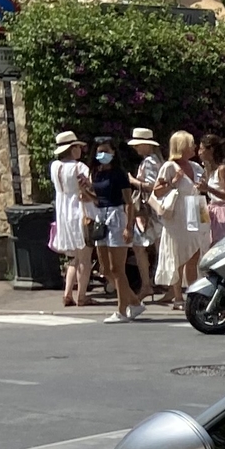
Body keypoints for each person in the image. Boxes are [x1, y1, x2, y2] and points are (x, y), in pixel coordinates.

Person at [87, 132, 140, 322]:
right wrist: (86, 191)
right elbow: (99, 199)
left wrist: (129, 226)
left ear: (113, 153)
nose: (102, 155)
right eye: (100, 152)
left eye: (106, 151)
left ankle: (122, 309)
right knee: (105, 268)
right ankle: (134, 302)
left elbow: (128, 202)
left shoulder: (119, 174)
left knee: (117, 268)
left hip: (116, 215)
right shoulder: (96, 173)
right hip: (101, 215)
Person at [154, 130, 207, 301]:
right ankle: (177, 297)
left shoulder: (196, 167)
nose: (194, 147)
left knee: (195, 253)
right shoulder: (169, 167)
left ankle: (192, 293)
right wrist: (172, 183)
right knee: (178, 255)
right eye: (191, 144)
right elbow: (157, 191)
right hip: (178, 214)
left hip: (196, 210)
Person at [49, 132, 92, 309]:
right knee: (85, 258)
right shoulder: (79, 167)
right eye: (78, 148)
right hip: (78, 211)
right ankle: (81, 296)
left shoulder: (55, 166)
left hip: (63, 212)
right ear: (72, 149)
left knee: (74, 258)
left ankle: (67, 293)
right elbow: (90, 187)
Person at [125, 128, 163, 302]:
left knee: (141, 246)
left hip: (148, 210)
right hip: (154, 210)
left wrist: (133, 181)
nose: (136, 148)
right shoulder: (156, 161)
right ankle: (159, 284)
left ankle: (148, 284)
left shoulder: (148, 162)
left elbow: (150, 186)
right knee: (158, 246)